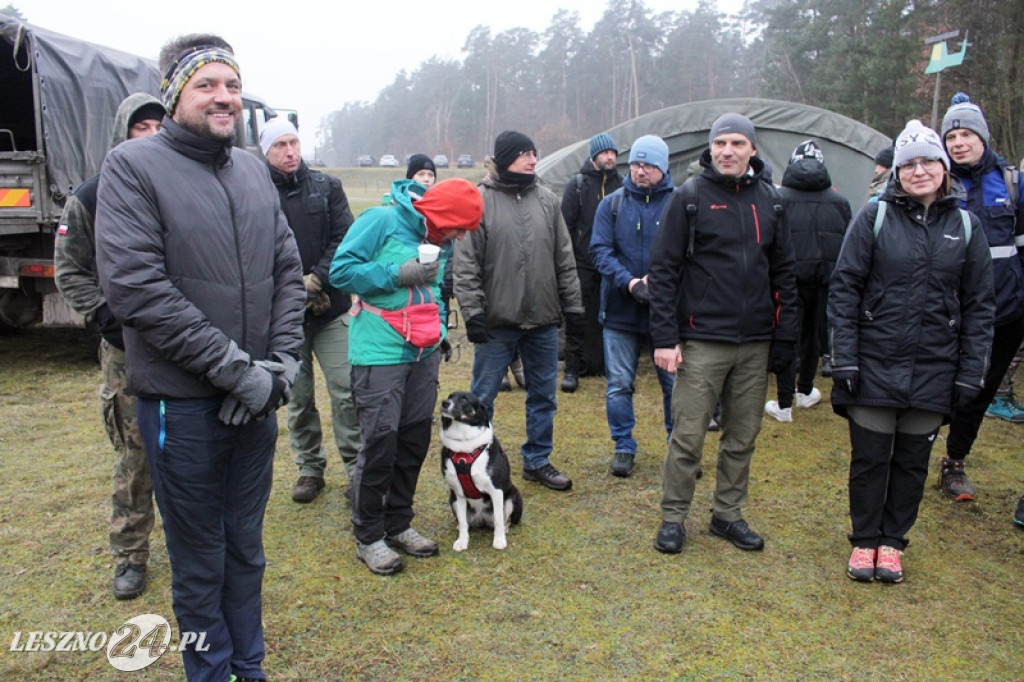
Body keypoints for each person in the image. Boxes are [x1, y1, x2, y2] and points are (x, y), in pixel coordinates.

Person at [95, 34, 305, 681]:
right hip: (180, 409)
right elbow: (138, 289)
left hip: (256, 403)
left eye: (232, 85)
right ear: (176, 94)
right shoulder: (132, 168)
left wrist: (282, 367)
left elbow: (287, 273)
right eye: (206, 85)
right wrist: (237, 372)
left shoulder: (250, 169)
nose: (224, 97)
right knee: (199, 560)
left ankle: (251, 667)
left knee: (246, 548)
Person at [829, 119, 994, 583]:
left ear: (943, 167)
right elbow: (844, 288)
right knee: (870, 458)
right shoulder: (874, 217)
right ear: (897, 171)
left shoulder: (965, 225)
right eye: (909, 164)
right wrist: (844, 356)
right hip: (873, 363)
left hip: (934, 367)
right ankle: (864, 541)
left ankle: (893, 543)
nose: (919, 171)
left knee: (911, 462)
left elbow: (980, 304)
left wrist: (970, 371)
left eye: (928, 162)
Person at [648, 113, 797, 554]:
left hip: (754, 342)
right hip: (702, 341)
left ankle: (727, 515)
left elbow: (785, 271)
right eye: (720, 144)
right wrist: (664, 338)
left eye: (736, 143)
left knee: (742, 436)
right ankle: (674, 517)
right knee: (688, 435)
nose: (727, 151)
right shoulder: (689, 198)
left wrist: (785, 335)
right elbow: (664, 270)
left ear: (752, 149)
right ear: (710, 149)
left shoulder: (771, 201)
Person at [330, 177, 483, 576]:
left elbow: (432, 292)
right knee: (380, 443)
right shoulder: (380, 220)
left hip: (423, 351)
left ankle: (398, 523)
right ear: (441, 215)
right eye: (459, 227)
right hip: (379, 351)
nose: (461, 237)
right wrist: (398, 273)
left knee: (413, 440)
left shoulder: (440, 239)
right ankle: (368, 535)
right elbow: (341, 272)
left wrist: (441, 333)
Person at [54, 93, 165, 600]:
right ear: (123, 133)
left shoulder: (181, 187)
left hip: (186, 344)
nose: (151, 135)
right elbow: (68, 269)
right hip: (127, 351)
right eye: (141, 127)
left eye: (158, 126)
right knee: (136, 454)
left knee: (192, 452)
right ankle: (130, 554)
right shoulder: (93, 196)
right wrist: (105, 316)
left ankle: (202, 550)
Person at [454, 130, 584, 492]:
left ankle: (537, 461)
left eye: (534, 153)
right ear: (505, 157)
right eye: (524, 153)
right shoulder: (479, 201)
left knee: (544, 395)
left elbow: (564, 257)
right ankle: (475, 462)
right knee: (481, 398)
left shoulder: (547, 199)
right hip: (496, 323)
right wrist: (474, 314)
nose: (532, 159)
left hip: (543, 320)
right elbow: (465, 264)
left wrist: (573, 307)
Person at [259, 118, 360, 504]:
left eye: (294, 143)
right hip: (284, 318)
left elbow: (345, 238)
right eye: (280, 146)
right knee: (297, 399)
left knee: (347, 391)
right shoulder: (256, 191)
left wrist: (317, 279)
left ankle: (356, 469)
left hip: (331, 309)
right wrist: (290, 288)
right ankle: (309, 468)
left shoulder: (327, 187)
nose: (290, 152)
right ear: (266, 152)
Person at [939, 93, 1024, 499]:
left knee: (980, 390)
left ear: (983, 137)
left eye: (966, 133)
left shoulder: (1011, 182)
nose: (959, 142)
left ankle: (954, 462)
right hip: (950, 311)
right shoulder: (937, 181)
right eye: (951, 135)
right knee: (937, 384)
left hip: (1005, 312)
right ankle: (909, 452)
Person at [589, 135, 675, 478]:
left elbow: (689, 250)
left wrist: (657, 281)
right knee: (619, 384)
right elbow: (599, 250)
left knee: (673, 385)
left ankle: (678, 447)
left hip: (666, 311)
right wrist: (630, 282)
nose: (641, 171)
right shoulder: (611, 205)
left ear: (663, 167)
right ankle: (623, 445)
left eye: (649, 165)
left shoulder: (680, 203)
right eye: (637, 164)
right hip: (621, 311)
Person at [765, 141, 852, 422]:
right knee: (814, 336)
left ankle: (784, 404)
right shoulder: (840, 201)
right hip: (825, 280)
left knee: (789, 335)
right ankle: (805, 392)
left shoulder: (778, 197)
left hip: (788, 280)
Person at [560, 132, 623, 392]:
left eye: (613, 152)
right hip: (583, 263)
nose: (609, 157)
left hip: (613, 263)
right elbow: (565, 226)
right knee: (578, 316)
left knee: (612, 317)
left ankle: (609, 366)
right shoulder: (578, 185)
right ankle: (572, 368)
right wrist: (571, 259)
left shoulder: (622, 185)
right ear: (594, 155)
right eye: (604, 152)